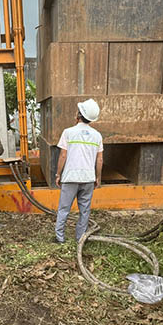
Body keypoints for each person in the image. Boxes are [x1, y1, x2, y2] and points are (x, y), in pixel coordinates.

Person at [54, 99, 103, 243]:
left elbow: (63, 155)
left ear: (79, 114)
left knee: (64, 209)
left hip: (70, 177)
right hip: (88, 178)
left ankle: (60, 238)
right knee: (85, 211)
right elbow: (99, 160)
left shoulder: (68, 132)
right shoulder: (97, 136)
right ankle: (80, 238)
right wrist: (98, 177)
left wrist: (58, 174)